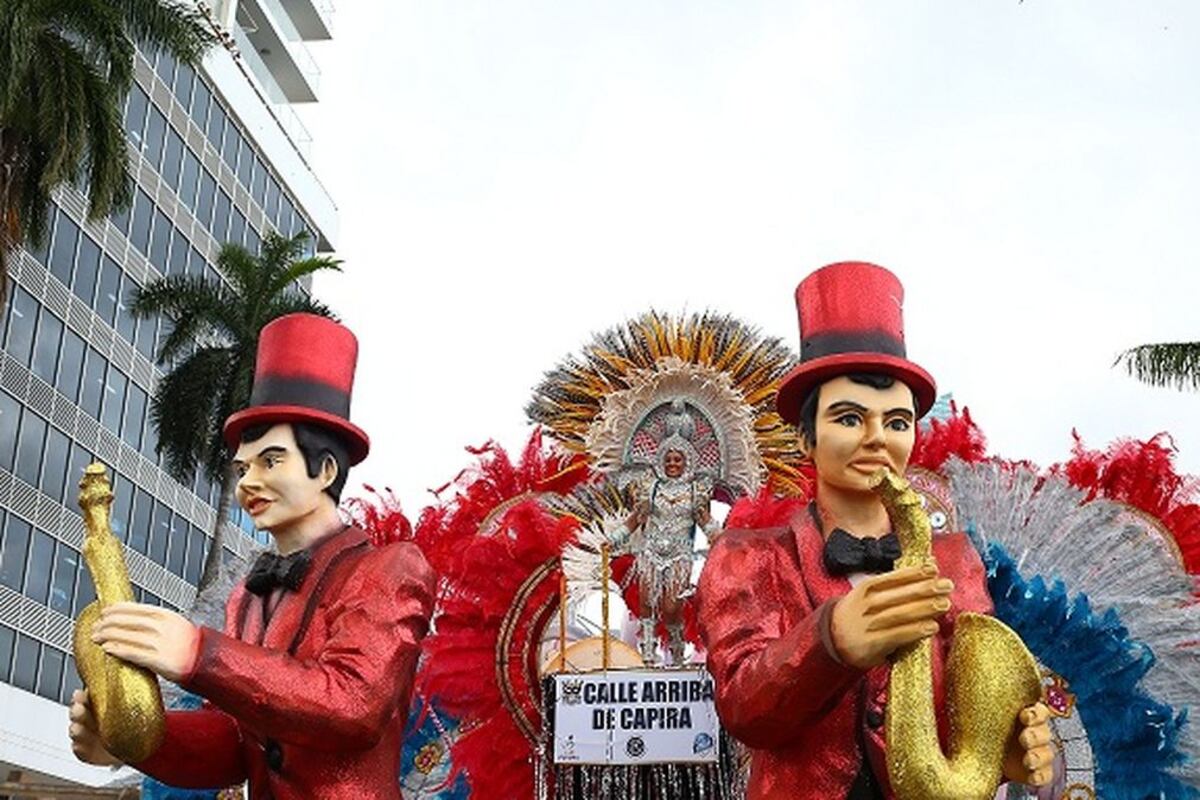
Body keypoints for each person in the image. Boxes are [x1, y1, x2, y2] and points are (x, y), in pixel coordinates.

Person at [696, 262, 1054, 799]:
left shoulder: (955, 560)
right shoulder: (749, 558)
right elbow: (743, 708)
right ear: (806, 438)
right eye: (848, 418)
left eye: (897, 422)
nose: (877, 439)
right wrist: (830, 640)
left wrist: (1002, 752)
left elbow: (968, 715)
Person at [68, 314, 435, 800]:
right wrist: (134, 738)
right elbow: (233, 745)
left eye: (270, 462)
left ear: (326, 470)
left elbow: (354, 704)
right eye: (242, 469)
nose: (248, 483)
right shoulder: (246, 598)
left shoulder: (391, 569)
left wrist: (199, 654)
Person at [623, 401, 719, 664]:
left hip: (679, 556)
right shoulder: (650, 488)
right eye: (668, 459)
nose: (672, 463)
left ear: (686, 462)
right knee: (646, 602)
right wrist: (613, 537)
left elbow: (705, 522)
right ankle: (647, 654)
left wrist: (723, 539)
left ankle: (676, 651)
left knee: (671, 606)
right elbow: (636, 519)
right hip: (650, 553)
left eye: (677, 459)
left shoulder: (696, 490)